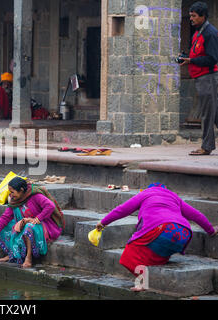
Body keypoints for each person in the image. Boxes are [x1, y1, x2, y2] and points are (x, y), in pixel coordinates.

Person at [95, 183, 218, 291]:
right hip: (183, 233)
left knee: (129, 254)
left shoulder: (145, 194)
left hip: (161, 228)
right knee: (158, 252)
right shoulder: (173, 196)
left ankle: (142, 283)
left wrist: (103, 222)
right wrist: (211, 230)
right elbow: (197, 215)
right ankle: (153, 266)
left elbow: (121, 210)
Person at [0, 177, 64, 268]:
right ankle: (13, 254)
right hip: (26, 223)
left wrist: (37, 219)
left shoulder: (35, 196)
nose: (10, 195)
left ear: (21, 190)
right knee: (4, 226)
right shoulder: (15, 201)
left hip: (44, 225)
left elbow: (50, 206)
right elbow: (4, 217)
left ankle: (28, 258)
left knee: (28, 227)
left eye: (12, 192)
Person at [179, 2, 218, 156]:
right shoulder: (198, 32)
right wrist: (187, 58)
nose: (191, 19)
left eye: (194, 16)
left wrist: (191, 61)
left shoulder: (210, 33)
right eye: (190, 16)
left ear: (203, 16)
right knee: (214, 113)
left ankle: (206, 147)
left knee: (207, 114)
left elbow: (212, 58)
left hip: (208, 78)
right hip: (201, 78)